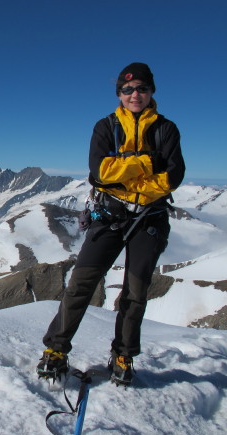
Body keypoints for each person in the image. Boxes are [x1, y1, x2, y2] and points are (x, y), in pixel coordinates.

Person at [37, 62, 185, 386]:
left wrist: (127, 179)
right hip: (111, 215)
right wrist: (146, 164)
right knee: (80, 284)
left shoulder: (166, 130)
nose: (135, 94)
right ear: (119, 93)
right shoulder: (106, 127)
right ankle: (56, 349)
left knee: (136, 291)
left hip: (149, 219)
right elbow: (100, 172)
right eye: (128, 89)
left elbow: (173, 176)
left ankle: (123, 354)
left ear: (151, 92)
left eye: (142, 88)